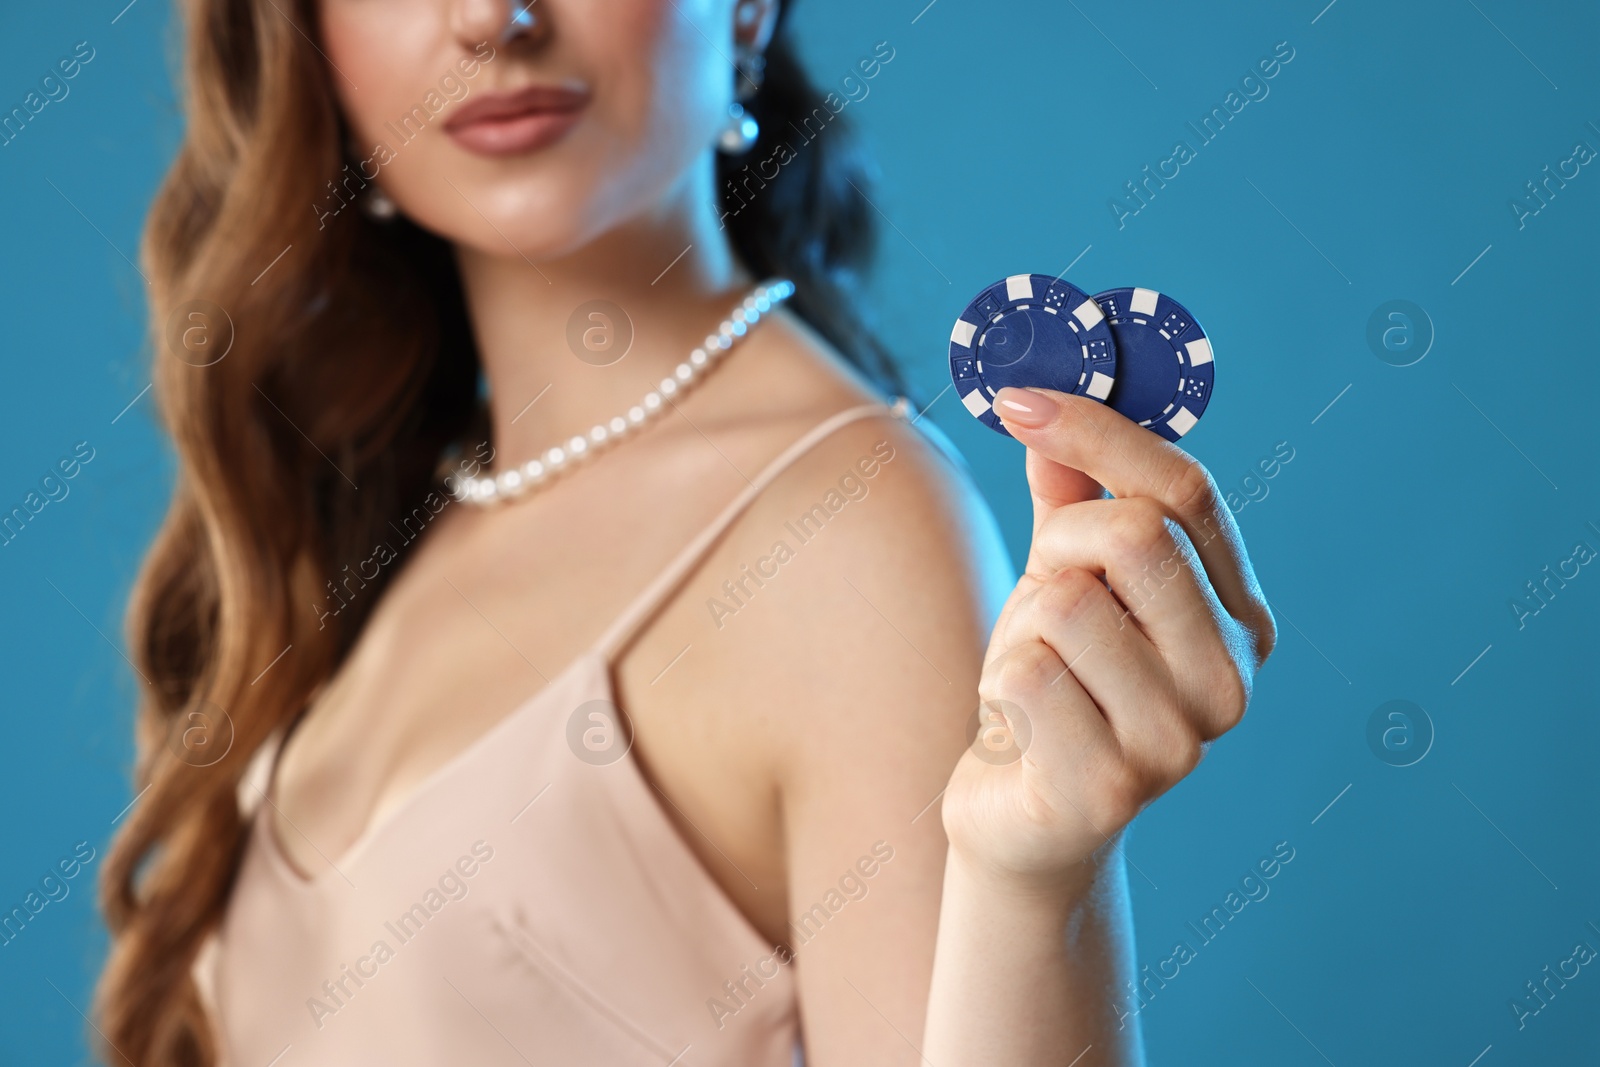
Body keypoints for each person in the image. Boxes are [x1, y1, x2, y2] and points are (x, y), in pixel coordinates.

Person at [96, 0, 1275, 1063]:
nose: (491, 18)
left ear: (750, 10)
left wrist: (1032, 883)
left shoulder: (850, 531)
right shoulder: (393, 522)